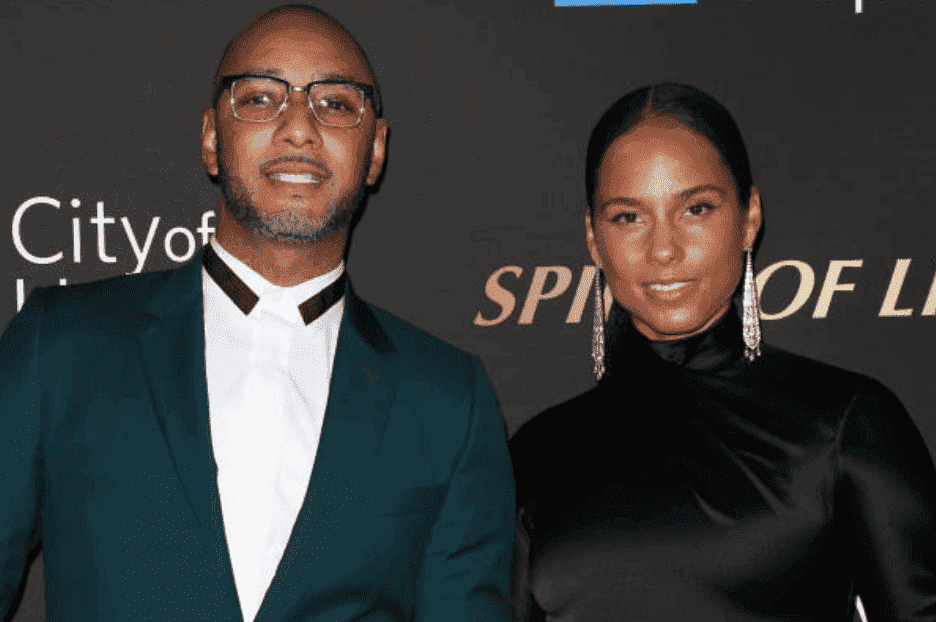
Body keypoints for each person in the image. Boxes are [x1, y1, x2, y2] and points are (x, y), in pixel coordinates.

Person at [0, 5, 515, 621]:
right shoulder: (59, 344)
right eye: (260, 98)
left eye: (336, 103)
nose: (298, 126)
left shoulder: (450, 399)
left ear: (376, 148)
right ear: (212, 138)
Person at [509, 83, 936, 622]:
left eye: (696, 208)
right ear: (594, 238)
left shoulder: (846, 423)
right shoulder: (539, 453)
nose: (663, 248)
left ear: (749, 217)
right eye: (628, 217)